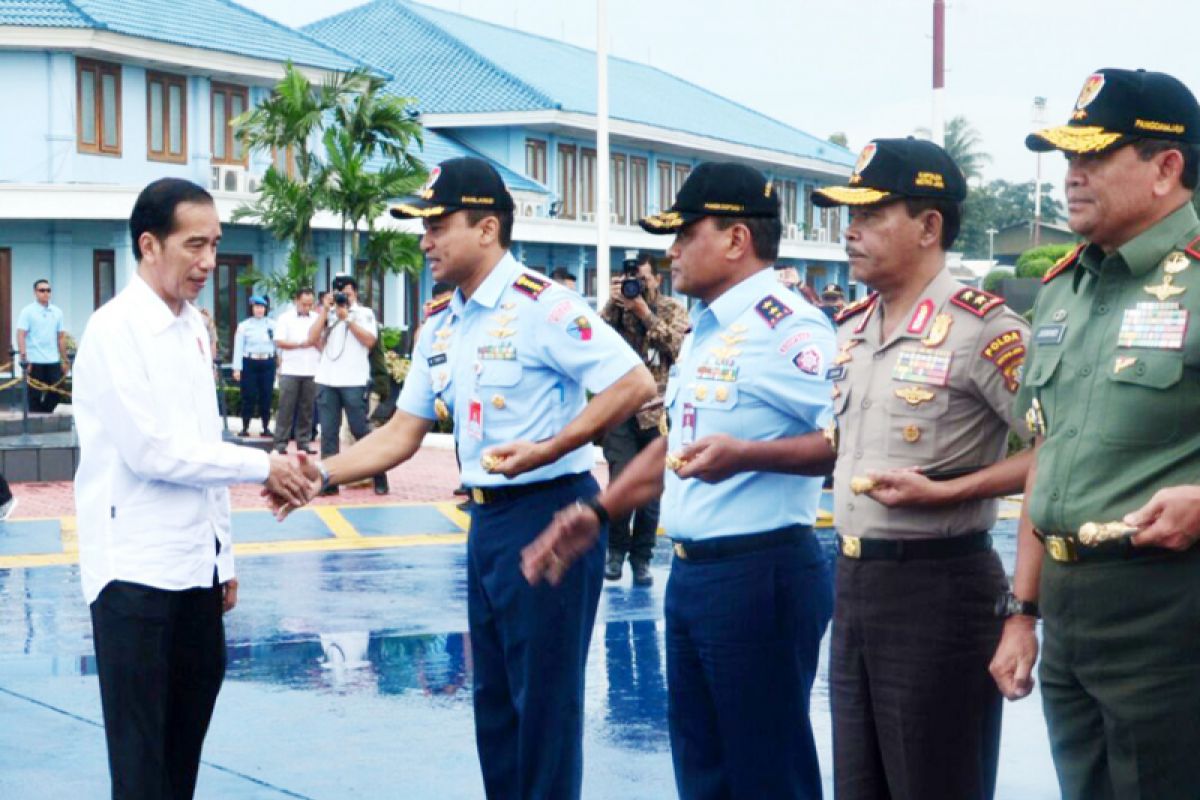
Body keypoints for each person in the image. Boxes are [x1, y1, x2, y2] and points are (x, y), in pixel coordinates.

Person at [268, 157, 654, 800]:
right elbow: (400, 432)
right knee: (495, 709)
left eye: (437, 224)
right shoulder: (443, 321)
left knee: (545, 714)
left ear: (487, 228)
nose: (425, 240)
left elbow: (633, 382)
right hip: (487, 525)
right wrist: (322, 475)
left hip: (551, 514)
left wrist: (551, 446)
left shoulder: (543, 306)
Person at [524, 162, 836, 800]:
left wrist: (747, 453)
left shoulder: (788, 330)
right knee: (703, 773)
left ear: (735, 239)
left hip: (761, 574)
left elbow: (844, 442)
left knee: (767, 776)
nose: (670, 253)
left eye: (684, 234)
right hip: (695, 576)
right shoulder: (708, 331)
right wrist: (599, 511)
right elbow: (676, 443)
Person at [990, 68, 1200, 800]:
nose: (1072, 177)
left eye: (1094, 157)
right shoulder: (1063, 289)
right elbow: (1045, 457)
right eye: (1068, 159)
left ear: (1165, 168)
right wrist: (1022, 614)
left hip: (1170, 613)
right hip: (1070, 613)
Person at [811, 137, 1034, 800]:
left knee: (935, 785)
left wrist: (951, 490)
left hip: (939, 590)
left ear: (928, 225)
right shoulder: (853, 325)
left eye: (872, 214)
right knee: (860, 785)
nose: (850, 231)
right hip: (854, 585)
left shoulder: (984, 330)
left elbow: (1057, 449)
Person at [71, 177, 308, 799]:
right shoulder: (114, 331)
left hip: (194, 574)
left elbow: (204, 436)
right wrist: (264, 467)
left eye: (215, 244)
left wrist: (222, 556)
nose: (209, 261)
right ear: (149, 245)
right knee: (142, 763)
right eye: (194, 245)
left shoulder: (194, 329)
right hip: (134, 575)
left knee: (182, 758)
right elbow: (152, 452)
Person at [599, 250, 688, 585]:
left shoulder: (671, 309)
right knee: (621, 483)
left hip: (657, 413)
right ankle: (615, 552)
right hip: (621, 409)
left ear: (657, 280)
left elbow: (679, 347)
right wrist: (614, 303)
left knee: (650, 494)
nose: (637, 286)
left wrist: (644, 313)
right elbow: (594, 339)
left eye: (644, 280)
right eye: (631, 281)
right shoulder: (616, 310)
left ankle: (642, 560)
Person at [307, 275, 377, 495]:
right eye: (338, 294)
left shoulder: (364, 313)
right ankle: (329, 481)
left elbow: (369, 341)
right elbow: (312, 339)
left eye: (346, 293)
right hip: (327, 379)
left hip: (353, 381)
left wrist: (347, 318)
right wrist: (324, 312)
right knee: (328, 432)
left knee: (360, 430)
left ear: (355, 293)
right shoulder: (328, 314)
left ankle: (379, 472)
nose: (342, 298)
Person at [272, 287, 320, 455]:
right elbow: (279, 341)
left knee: (307, 409)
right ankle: (280, 442)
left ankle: (304, 441)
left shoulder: (317, 318)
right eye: (304, 304)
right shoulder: (285, 318)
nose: (307, 307)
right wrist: (301, 343)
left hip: (312, 369)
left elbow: (321, 341)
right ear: (296, 301)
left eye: (310, 304)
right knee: (286, 407)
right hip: (291, 369)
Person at [16, 278, 69, 413]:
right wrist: (24, 357)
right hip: (35, 360)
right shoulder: (27, 311)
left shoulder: (57, 312)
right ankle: (36, 419)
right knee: (34, 394)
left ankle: (44, 414)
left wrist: (64, 359)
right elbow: (21, 334)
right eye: (42, 290)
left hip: (53, 360)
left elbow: (61, 337)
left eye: (48, 290)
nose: (46, 293)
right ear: (35, 292)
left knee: (56, 391)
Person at [231, 295, 276, 437]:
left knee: (266, 396)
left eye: (262, 307)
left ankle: (266, 427)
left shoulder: (272, 325)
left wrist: (281, 364)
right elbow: (238, 348)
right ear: (252, 308)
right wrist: (237, 368)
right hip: (250, 362)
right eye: (257, 307)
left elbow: (278, 346)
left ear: (265, 309)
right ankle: (245, 427)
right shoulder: (244, 326)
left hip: (267, 362)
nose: (259, 310)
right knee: (248, 396)